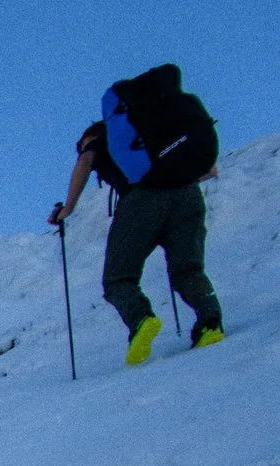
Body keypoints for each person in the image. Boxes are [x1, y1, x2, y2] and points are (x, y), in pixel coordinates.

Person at [49, 64, 223, 365]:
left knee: (118, 278)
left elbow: (86, 161)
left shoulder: (100, 137)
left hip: (143, 200)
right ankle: (211, 323)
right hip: (187, 193)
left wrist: (68, 208)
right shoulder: (160, 128)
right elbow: (210, 171)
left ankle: (141, 319)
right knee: (188, 270)